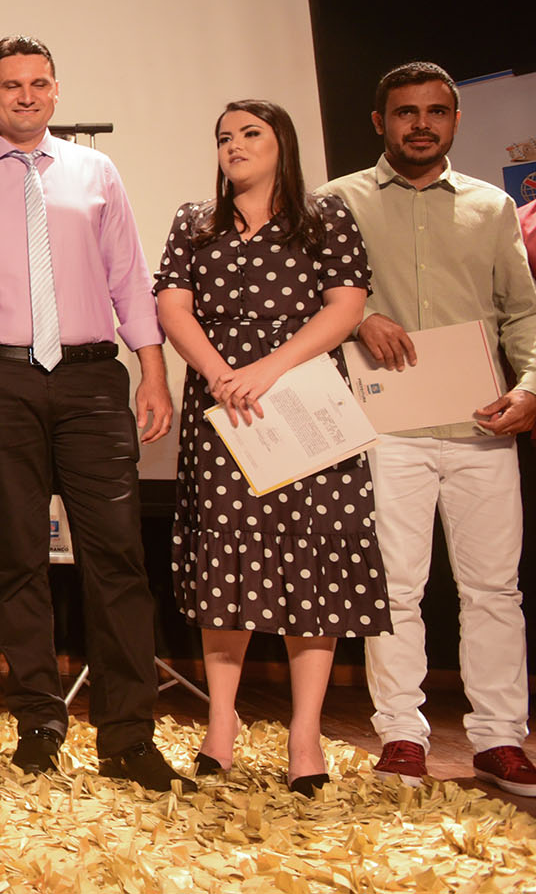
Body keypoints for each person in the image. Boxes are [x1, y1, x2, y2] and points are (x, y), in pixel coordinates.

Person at [0, 35, 182, 791]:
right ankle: (38, 721)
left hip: (93, 379)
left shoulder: (96, 170)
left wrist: (153, 369)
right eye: (12, 85)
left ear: (56, 92)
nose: (26, 95)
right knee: (15, 556)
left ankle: (128, 734)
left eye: (39, 83)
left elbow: (129, 275)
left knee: (118, 558)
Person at [153, 99, 388, 794]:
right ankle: (220, 725)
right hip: (224, 406)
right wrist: (220, 373)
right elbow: (172, 304)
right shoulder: (195, 220)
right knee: (226, 560)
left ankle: (304, 734)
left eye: (250, 133)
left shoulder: (325, 217)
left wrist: (267, 369)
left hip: (301, 398)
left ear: (282, 142)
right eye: (224, 136)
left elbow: (346, 306)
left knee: (312, 560)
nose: (234, 145)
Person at [321, 61, 536, 796]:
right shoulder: (337, 201)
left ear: (454, 120)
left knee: (494, 590)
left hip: (483, 426)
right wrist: (361, 316)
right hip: (388, 428)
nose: (421, 124)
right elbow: (314, 297)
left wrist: (532, 385)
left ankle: (500, 738)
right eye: (406, 112)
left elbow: (522, 312)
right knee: (397, 588)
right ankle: (402, 736)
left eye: (435, 111)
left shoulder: (491, 206)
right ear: (379, 122)